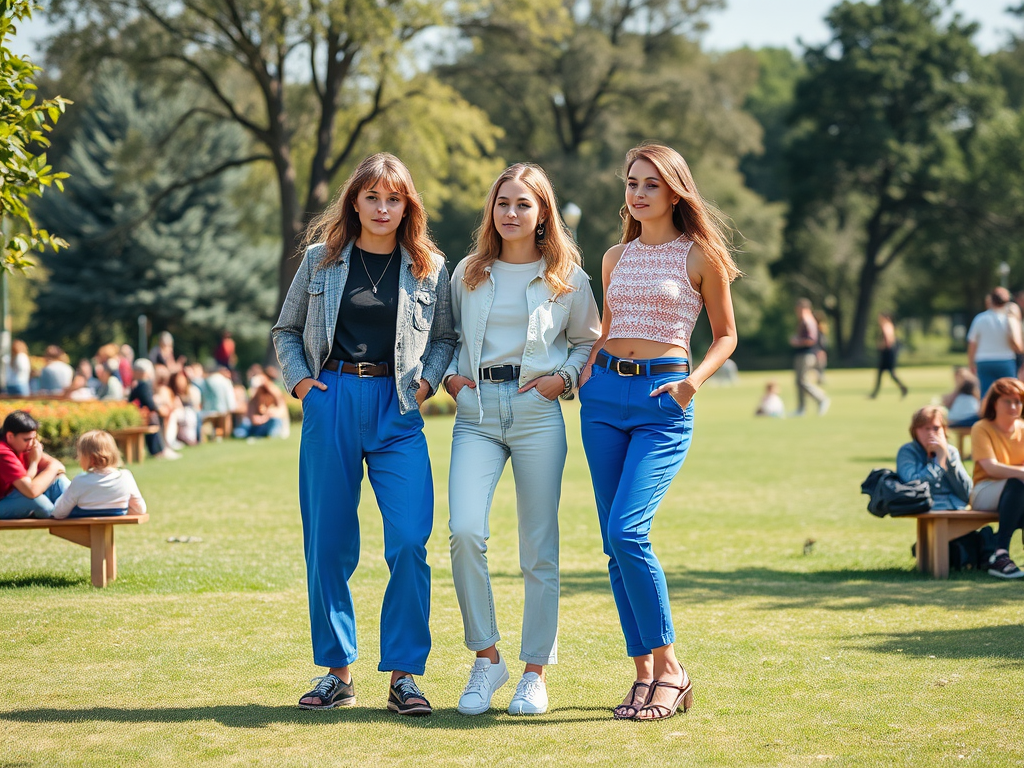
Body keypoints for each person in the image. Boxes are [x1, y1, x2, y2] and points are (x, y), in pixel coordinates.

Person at [272, 152, 456, 716]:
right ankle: (336, 672)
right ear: (354, 200)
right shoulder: (318, 262)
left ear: (408, 206)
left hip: (397, 408)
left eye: (394, 198)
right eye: (372, 197)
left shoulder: (430, 266)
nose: (382, 208)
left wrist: (426, 386)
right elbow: (287, 328)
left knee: (408, 539)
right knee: (327, 542)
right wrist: (302, 385)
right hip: (330, 400)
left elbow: (446, 338)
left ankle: (405, 676)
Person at [578, 143, 739, 721]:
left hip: (662, 399)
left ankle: (671, 668)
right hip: (601, 399)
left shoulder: (701, 255)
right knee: (612, 545)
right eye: (631, 183)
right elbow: (606, 328)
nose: (638, 193)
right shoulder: (614, 256)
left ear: (675, 190)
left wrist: (692, 382)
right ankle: (644, 673)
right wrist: (579, 374)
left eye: (650, 183)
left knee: (628, 531)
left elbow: (726, 335)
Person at [443, 163, 600, 716]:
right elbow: (444, 335)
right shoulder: (467, 272)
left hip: (538, 413)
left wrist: (564, 379)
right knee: (464, 531)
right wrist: (453, 382)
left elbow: (588, 341)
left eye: (522, 205)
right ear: (492, 209)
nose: (510, 213)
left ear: (542, 214)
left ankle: (534, 671)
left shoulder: (568, 278)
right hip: (475, 412)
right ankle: (487, 659)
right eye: (502, 203)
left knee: (539, 548)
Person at [968, 377, 1024, 578]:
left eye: (1018, 401)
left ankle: (999, 554)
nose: (1014, 406)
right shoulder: (981, 428)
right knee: (1017, 484)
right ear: (994, 403)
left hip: (1017, 490)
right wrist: (1020, 472)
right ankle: (1000, 554)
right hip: (984, 491)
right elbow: (990, 467)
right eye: (1007, 401)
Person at [52, 430, 147, 519]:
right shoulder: (125, 477)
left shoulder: (80, 480)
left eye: (80, 455)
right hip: (117, 512)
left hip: (82, 514)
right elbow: (140, 509)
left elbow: (59, 513)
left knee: (60, 484)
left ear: (91, 458)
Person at [896, 406, 971, 511]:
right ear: (915, 430)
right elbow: (912, 485)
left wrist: (946, 459)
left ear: (944, 430)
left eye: (936, 428)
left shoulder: (950, 452)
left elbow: (966, 493)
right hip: (923, 505)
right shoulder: (908, 452)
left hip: (954, 506)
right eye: (926, 429)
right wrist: (939, 463)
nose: (931, 433)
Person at [0, 411, 69, 519]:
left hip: (13, 494)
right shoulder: (3, 452)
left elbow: (58, 467)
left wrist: (53, 467)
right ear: (10, 436)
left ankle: (86, 507)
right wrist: (34, 462)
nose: (32, 444)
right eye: (27, 439)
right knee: (40, 504)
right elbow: (31, 491)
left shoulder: (21, 446)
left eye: (34, 438)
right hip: (4, 500)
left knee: (59, 482)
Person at [967, 287, 1022, 401]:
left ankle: (987, 417)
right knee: (1009, 393)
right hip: (1005, 360)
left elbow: (972, 343)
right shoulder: (1010, 319)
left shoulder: (980, 318)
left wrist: (971, 363)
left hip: (984, 361)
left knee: (986, 395)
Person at [128, 359, 180, 460]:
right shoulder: (144, 384)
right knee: (156, 419)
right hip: (144, 417)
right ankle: (160, 450)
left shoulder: (138, 384)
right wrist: (159, 409)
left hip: (140, 415)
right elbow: (149, 403)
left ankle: (163, 448)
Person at [789, 299, 829, 416]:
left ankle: (821, 398)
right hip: (803, 354)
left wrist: (797, 341)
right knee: (799, 381)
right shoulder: (805, 321)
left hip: (807, 354)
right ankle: (801, 408)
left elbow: (811, 339)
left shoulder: (808, 320)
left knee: (802, 381)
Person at [233, 375, 288, 439]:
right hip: (257, 424)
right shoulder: (254, 398)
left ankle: (271, 435)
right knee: (245, 424)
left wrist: (266, 416)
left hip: (268, 422)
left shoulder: (274, 394)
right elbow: (250, 414)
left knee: (275, 420)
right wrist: (256, 418)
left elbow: (281, 411)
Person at [869, 312, 908, 398]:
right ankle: (875, 393)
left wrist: (882, 346)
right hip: (889, 352)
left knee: (890, 373)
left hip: (887, 353)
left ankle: (903, 388)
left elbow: (888, 339)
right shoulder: (889, 325)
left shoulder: (886, 325)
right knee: (884, 373)